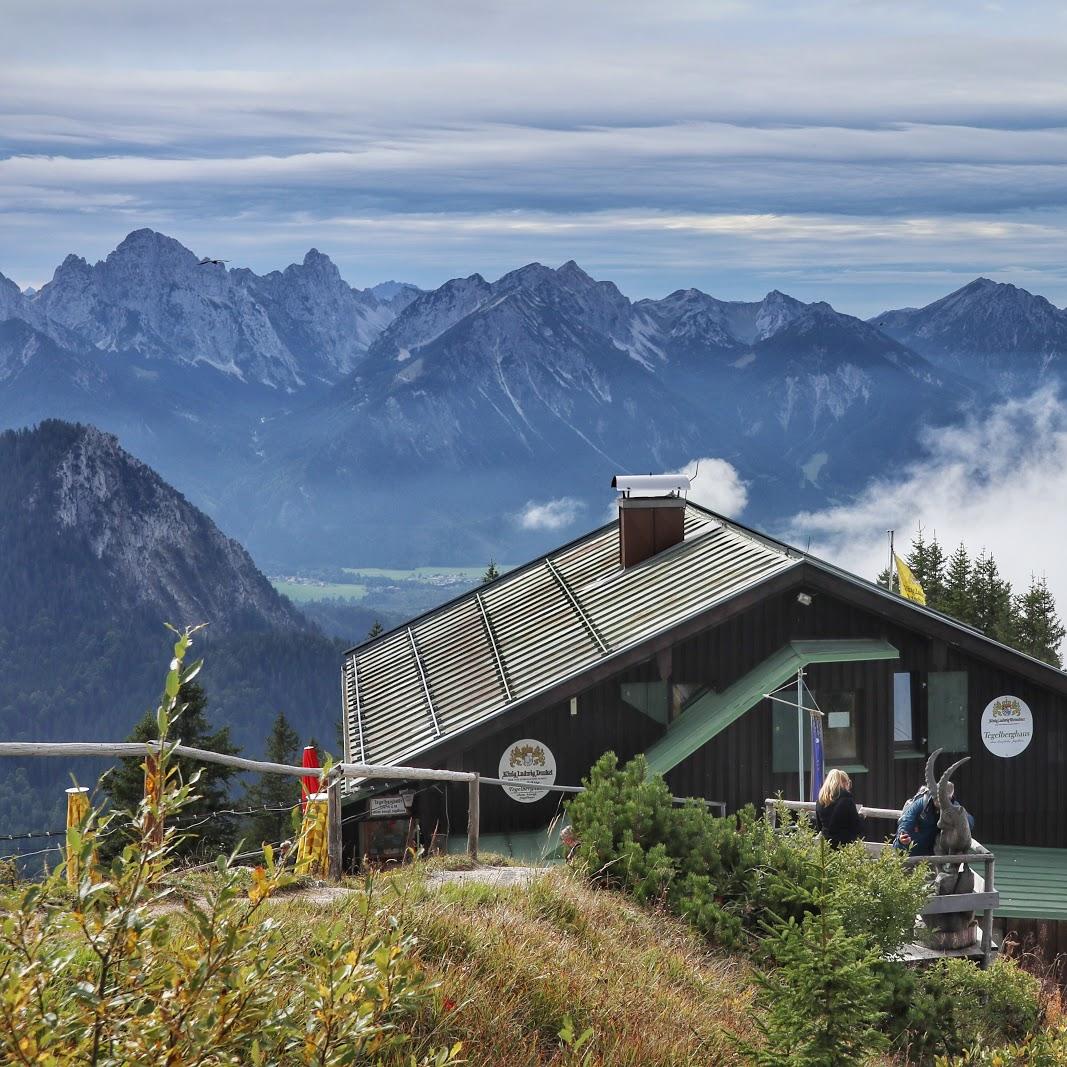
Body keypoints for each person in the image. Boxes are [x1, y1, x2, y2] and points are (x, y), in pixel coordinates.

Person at [893, 778, 974, 855]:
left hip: (933, 855)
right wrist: (902, 835)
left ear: (950, 798)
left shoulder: (954, 807)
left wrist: (960, 821)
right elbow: (906, 819)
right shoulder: (921, 803)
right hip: (911, 851)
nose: (939, 801)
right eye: (937, 798)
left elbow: (969, 821)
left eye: (944, 799)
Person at [814, 768, 865, 847]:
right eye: (848, 783)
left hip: (826, 845)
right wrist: (861, 817)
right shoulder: (847, 800)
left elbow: (819, 826)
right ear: (844, 783)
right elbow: (856, 826)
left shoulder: (820, 800)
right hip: (843, 845)